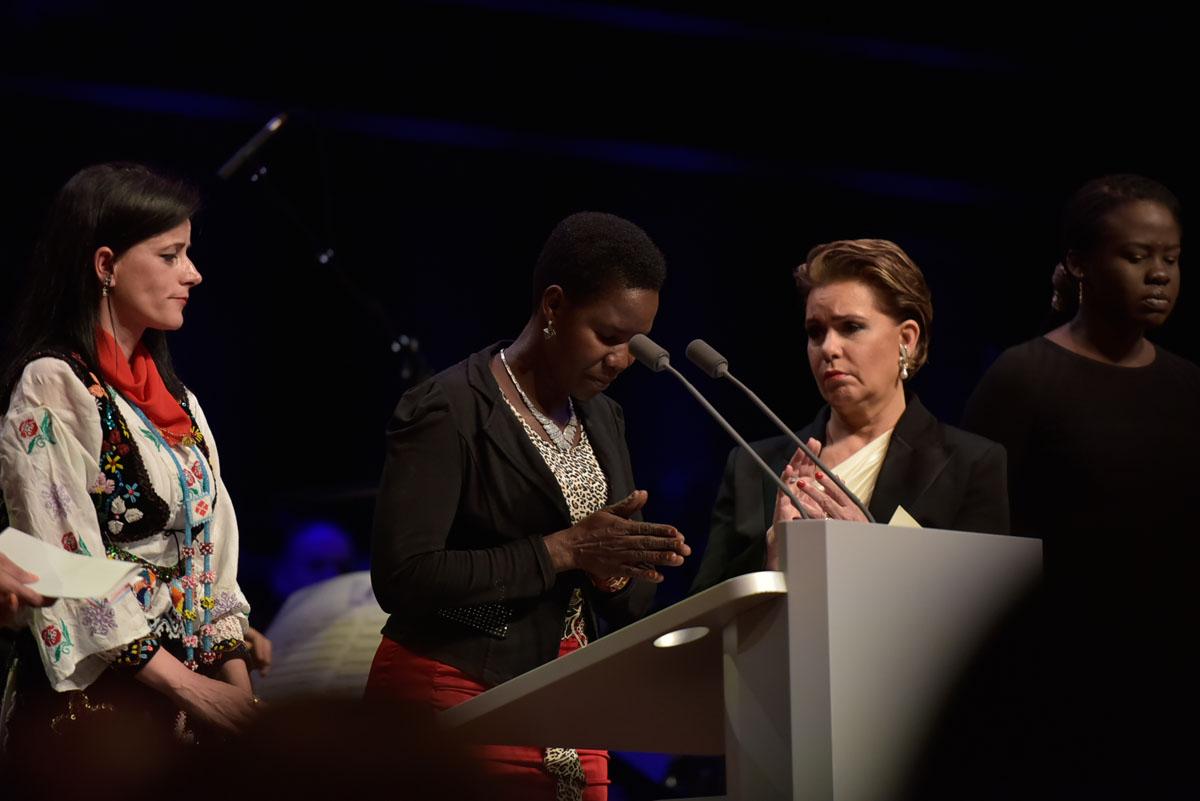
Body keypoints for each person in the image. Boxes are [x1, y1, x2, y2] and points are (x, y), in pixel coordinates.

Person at [367, 211, 691, 801]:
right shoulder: (449, 409)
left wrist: (618, 570)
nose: (621, 360)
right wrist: (563, 550)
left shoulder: (603, 418)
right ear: (553, 306)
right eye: (608, 336)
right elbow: (403, 576)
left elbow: (622, 595)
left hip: (572, 704)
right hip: (458, 695)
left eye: (634, 342)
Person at [0, 163, 257, 760]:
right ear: (105, 265)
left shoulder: (178, 401)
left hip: (190, 702)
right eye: (171, 255)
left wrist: (237, 697)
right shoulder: (53, 385)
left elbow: (212, 566)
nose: (192, 273)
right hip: (102, 710)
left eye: (188, 253)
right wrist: (190, 688)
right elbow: (65, 566)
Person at [961, 174, 1198, 797]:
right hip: (1056, 673)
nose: (1159, 275)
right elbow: (977, 535)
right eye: (1136, 256)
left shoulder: (1188, 387)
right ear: (1079, 264)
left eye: (1170, 259)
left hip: (1171, 671)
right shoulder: (1023, 377)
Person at [693, 238, 1009, 593]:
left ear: (907, 339)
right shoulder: (752, 465)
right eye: (816, 332)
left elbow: (983, 611)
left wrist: (871, 555)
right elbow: (704, 610)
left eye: (851, 327)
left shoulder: (970, 465)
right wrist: (772, 564)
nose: (828, 348)